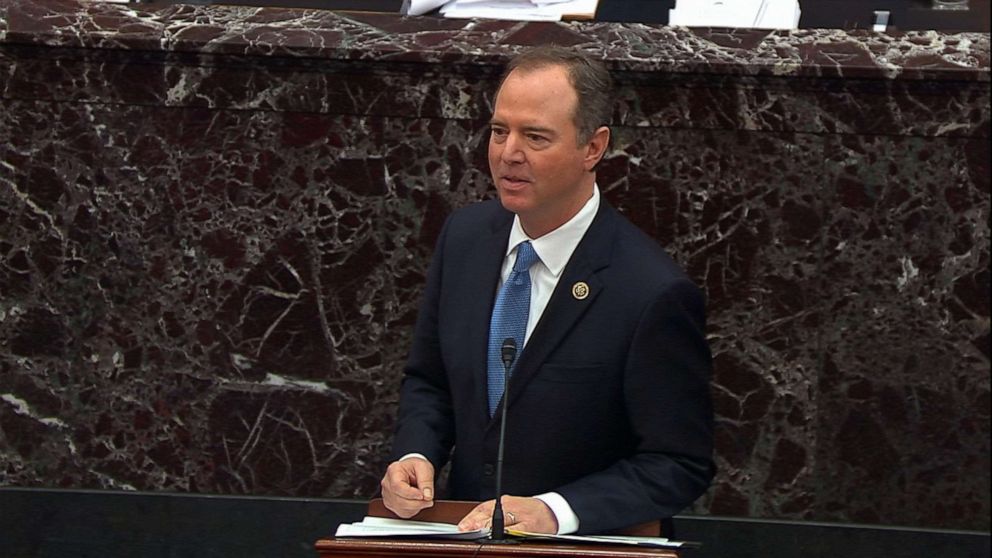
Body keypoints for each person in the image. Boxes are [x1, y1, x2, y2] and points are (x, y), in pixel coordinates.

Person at [379, 45, 714, 536]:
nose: (508, 154)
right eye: (498, 131)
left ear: (593, 147)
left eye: (535, 136)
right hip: (460, 536)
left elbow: (679, 462)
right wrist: (415, 453)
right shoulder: (465, 239)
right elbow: (430, 381)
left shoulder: (649, 291)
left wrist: (556, 510)